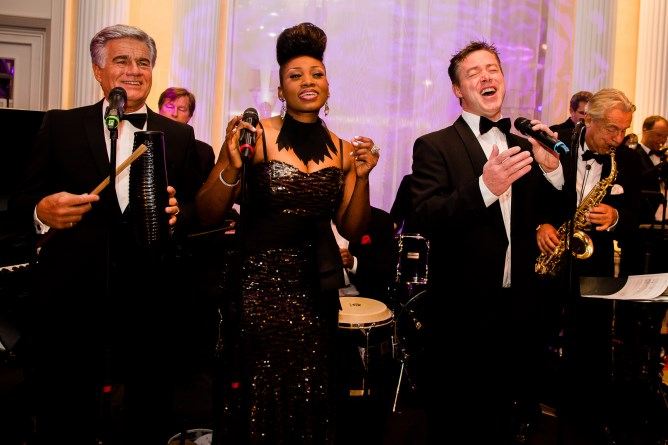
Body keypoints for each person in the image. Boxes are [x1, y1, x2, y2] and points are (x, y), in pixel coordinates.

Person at [9, 24, 201, 444]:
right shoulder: (61, 125)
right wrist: (42, 210)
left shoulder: (179, 136)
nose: (134, 70)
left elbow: (194, 209)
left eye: (143, 62)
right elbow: (20, 200)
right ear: (98, 71)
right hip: (71, 303)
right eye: (121, 60)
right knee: (66, 418)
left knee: (145, 420)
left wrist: (179, 214)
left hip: (149, 304)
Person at [196, 22, 379, 443]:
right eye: (295, 75)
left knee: (310, 387)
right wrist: (231, 166)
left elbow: (351, 227)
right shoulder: (255, 136)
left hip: (315, 289)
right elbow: (207, 212)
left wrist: (363, 177)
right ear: (281, 89)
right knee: (258, 390)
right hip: (256, 286)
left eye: (316, 73)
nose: (307, 81)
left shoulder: (345, 151)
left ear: (328, 84)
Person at [409, 40, 563, 443]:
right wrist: (484, 188)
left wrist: (553, 170)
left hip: (520, 305)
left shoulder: (524, 144)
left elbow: (553, 213)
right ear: (458, 90)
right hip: (462, 311)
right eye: (473, 72)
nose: (486, 76)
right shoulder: (435, 145)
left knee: (509, 418)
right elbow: (426, 215)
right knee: (461, 420)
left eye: (492, 69)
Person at [535, 88, 644, 442]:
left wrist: (616, 217)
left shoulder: (628, 159)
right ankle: (531, 413)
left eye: (624, 129)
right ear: (589, 120)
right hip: (549, 257)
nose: (619, 138)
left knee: (591, 345)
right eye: (612, 129)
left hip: (594, 264)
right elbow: (528, 195)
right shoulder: (554, 141)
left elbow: (638, 213)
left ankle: (584, 424)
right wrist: (540, 224)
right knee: (537, 337)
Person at [158, 87, 216, 186]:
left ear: (190, 116)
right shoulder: (146, 142)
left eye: (181, 109)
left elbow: (209, 191)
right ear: (159, 110)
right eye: (170, 106)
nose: (174, 114)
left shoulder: (204, 152)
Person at [635, 115, 668, 223]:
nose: (662, 140)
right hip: (642, 219)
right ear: (645, 131)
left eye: (665, 136)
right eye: (658, 135)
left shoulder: (664, 156)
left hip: (664, 219)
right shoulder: (633, 154)